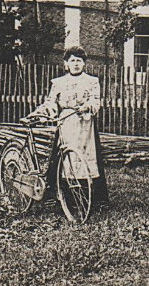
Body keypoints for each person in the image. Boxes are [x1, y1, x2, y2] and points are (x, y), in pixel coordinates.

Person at [23, 46, 109, 211]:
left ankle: (93, 199)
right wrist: (39, 113)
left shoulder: (92, 82)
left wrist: (86, 107)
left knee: (87, 157)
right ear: (66, 64)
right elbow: (51, 103)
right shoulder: (59, 83)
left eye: (79, 60)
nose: (76, 64)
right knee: (63, 157)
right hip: (66, 124)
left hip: (85, 126)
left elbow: (96, 101)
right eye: (72, 61)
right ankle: (61, 197)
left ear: (84, 63)